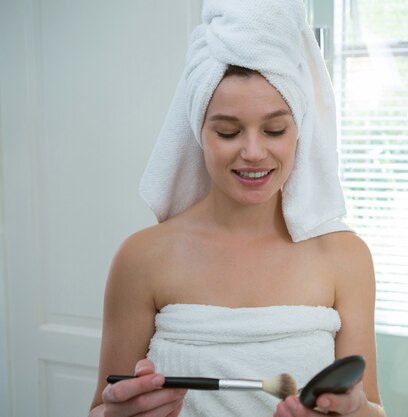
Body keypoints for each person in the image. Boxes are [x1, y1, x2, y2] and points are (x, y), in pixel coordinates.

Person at [89, 1, 385, 417]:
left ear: (299, 127)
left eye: (274, 129)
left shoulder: (345, 258)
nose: (252, 152)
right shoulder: (142, 258)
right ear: (198, 130)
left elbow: (372, 407)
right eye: (228, 131)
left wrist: (356, 413)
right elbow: (100, 408)